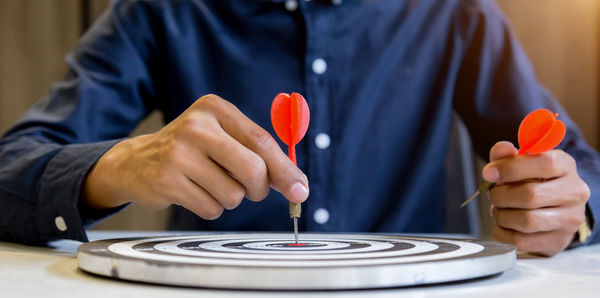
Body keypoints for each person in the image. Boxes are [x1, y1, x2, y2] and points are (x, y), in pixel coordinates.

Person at [0, 0, 596, 256]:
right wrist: (118, 166)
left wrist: (571, 210)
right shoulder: (163, 11)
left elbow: (581, 170)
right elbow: (11, 168)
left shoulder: (453, 11)